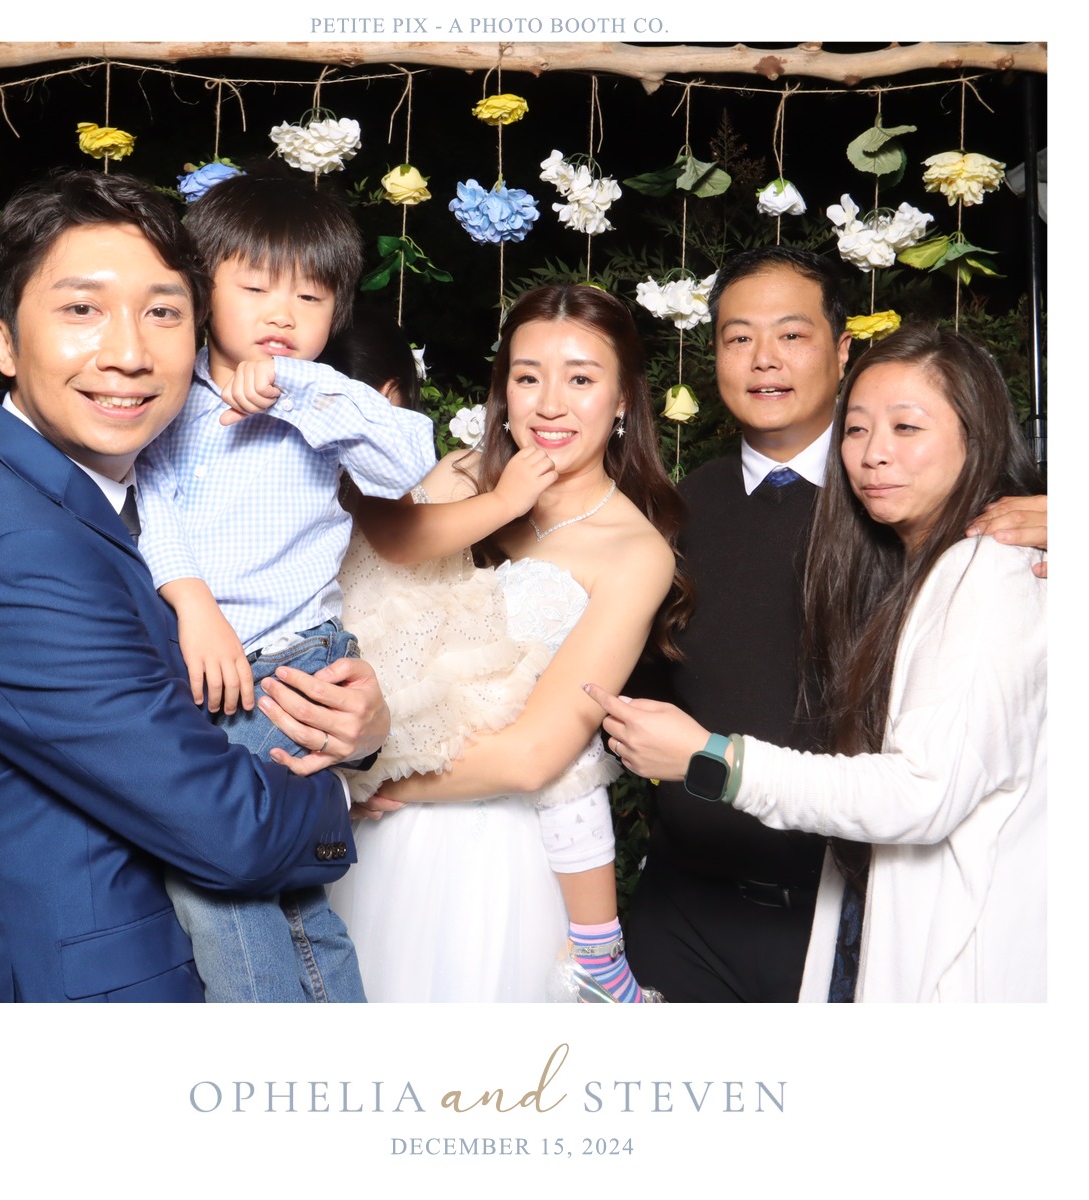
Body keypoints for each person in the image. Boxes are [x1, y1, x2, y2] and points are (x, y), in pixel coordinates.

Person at [0, 169, 390, 1003]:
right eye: (82, 309)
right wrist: (336, 782)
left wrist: (355, 730)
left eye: (163, 312)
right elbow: (230, 834)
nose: (130, 353)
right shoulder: (18, 560)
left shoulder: (119, 489)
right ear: (2, 342)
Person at [618, 245, 1047, 1003]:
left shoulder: (954, 532)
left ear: (842, 350)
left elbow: (926, 785)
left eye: (791, 333)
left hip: (849, 908)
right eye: (739, 337)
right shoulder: (675, 510)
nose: (765, 359)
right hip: (691, 910)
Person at [327, 284, 692, 1002]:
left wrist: (360, 773)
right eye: (528, 378)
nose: (550, 405)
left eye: (581, 380)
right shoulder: (460, 476)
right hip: (371, 836)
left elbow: (534, 758)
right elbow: (366, 603)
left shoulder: (633, 553)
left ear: (622, 398)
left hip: (488, 850)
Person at [134, 164, 436, 1001]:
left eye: (309, 297)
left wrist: (301, 388)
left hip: (291, 668)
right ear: (202, 288)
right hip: (203, 663)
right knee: (295, 901)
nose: (281, 314)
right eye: (255, 287)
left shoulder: (324, 398)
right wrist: (193, 602)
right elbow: (149, 498)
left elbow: (406, 462)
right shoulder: (170, 393)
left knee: (218, 883)